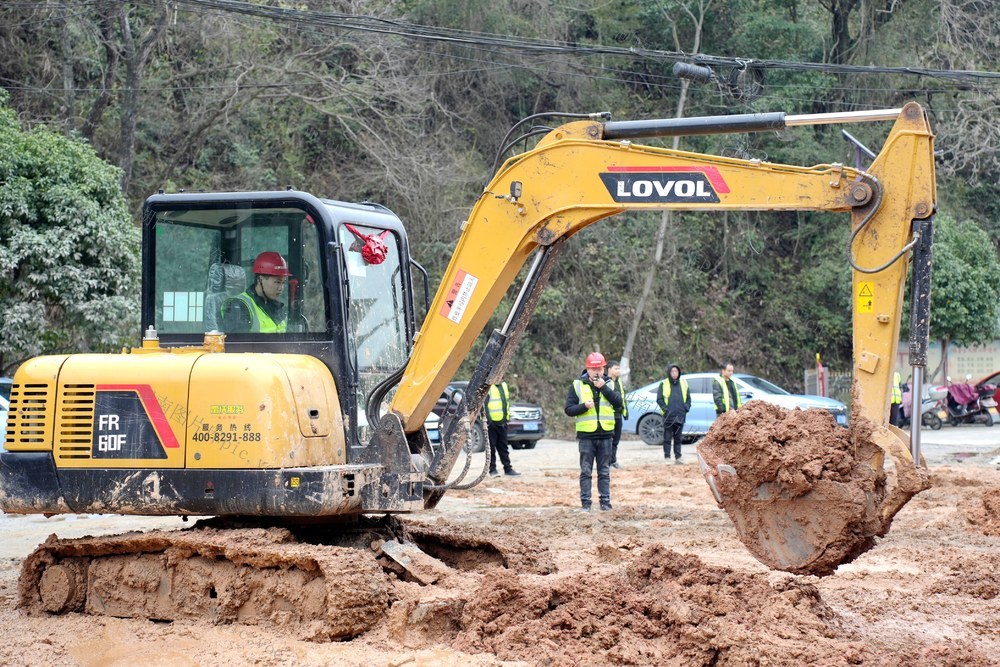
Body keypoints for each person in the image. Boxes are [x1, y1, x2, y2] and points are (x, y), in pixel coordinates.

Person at [564, 352, 622, 512]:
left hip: (605, 435)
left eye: (599, 368)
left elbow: (618, 403)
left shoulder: (609, 384)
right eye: (593, 368)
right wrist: (583, 406)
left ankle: (605, 502)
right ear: (587, 369)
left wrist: (603, 387)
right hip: (586, 436)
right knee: (586, 471)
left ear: (604, 368)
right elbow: (568, 410)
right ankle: (586, 503)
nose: (597, 371)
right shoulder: (577, 385)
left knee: (604, 471)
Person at [222, 251, 290, 333]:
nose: (281, 288)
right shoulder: (239, 307)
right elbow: (237, 343)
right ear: (260, 279)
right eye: (277, 282)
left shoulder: (278, 308)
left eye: (283, 282)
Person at [656, 364, 690, 464]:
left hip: (680, 415)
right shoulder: (664, 384)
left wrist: (686, 408)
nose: (674, 373)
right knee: (667, 437)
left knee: (678, 438)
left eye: (676, 371)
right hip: (668, 416)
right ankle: (667, 457)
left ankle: (678, 457)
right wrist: (665, 410)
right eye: (672, 371)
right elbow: (659, 399)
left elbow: (688, 399)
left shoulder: (684, 383)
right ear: (669, 373)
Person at [486, 381, 520, 477]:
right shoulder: (488, 386)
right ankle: (492, 470)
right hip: (491, 423)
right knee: (491, 449)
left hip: (502, 422)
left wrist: (506, 419)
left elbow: (505, 403)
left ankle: (508, 469)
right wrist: (488, 421)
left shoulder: (504, 385)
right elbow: (484, 405)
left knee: (504, 447)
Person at [607, 360, 629, 469]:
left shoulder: (619, 381)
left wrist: (625, 411)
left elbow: (622, 397)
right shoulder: (605, 381)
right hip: (608, 415)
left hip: (618, 415)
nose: (618, 371)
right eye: (616, 368)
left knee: (616, 440)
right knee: (608, 441)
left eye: (619, 368)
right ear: (609, 369)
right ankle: (607, 462)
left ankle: (613, 460)